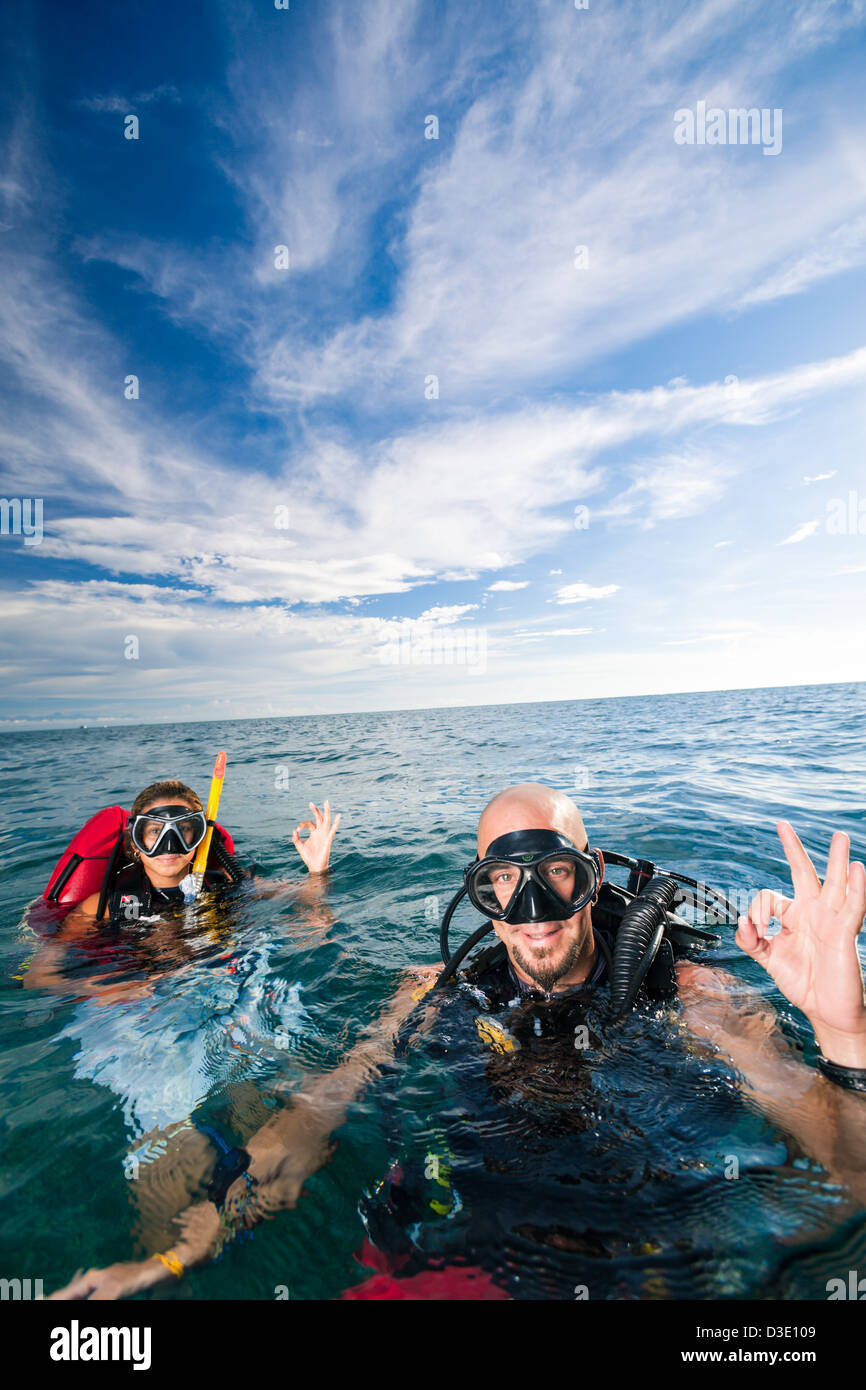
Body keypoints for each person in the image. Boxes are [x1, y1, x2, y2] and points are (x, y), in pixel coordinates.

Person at [49, 783, 866, 1301]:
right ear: (478, 895)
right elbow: (328, 1099)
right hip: (478, 1227)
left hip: (650, 1230)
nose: (534, 909)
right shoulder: (435, 988)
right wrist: (194, 1241)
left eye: (557, 875)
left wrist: (842, 1031)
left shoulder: (686, 991)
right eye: (502, 883)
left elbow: (849, 1172)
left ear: (594, 878)